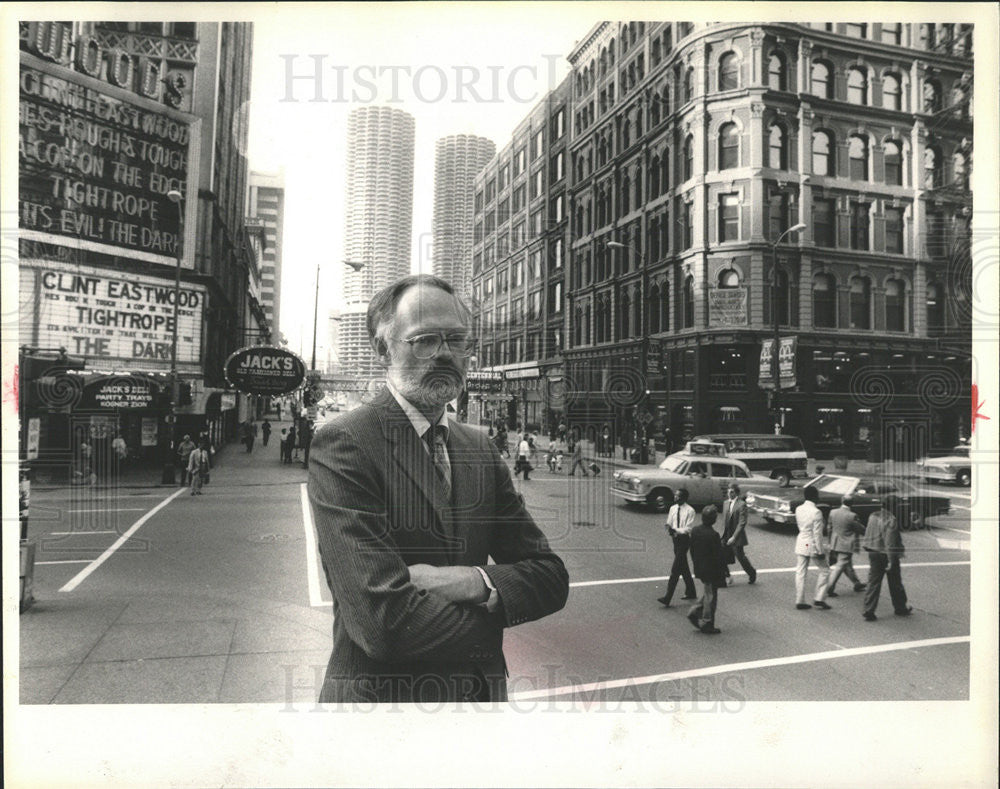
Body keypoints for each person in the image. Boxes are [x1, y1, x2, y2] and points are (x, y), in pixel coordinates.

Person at [307, 274, 569, 703]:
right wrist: (503, 602)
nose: (446, 355)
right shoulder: (346, 443)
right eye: (425, 340)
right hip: (383, 715)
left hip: (480, 706)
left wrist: (473, 581)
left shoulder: (478, 447)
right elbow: (383, 625)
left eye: (457, 340)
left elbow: (551, 577)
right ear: (382, 349)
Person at [861, 495, 912, 621]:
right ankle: (900, 607)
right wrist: (891, 560)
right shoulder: (891, 519)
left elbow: (868, 532)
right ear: (893, 506)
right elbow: (890, 542)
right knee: (895, 582)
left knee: (873, 582)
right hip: (885, 553)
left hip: (873, 551)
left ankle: (869, 609)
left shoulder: (873, 515)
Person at [687, 505, 726, 634]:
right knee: (711, 596)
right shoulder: (714, 535)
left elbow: (692, 549)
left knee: (708, 592)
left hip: (700, 567)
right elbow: (718, 556)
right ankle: (707, 621)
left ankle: (696, 611)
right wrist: (724, 572)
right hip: (711, 570)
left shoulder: (695, 530)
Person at [657, 488, 697, 606]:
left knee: (675, 570)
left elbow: (688, 528)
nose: (675, 497)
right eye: (675, 495)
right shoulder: (673, 508)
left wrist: (676, 530)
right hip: (675, 540)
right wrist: (669, 528)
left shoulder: (690, 511)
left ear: (684, 498)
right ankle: (691, 591)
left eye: (678, 496)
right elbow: (669, 522)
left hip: (684, 540)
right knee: (683, 567)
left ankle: (667, 597)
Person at [794, 486, 831, 610]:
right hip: (811, 543)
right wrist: (820, 550)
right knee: (825, 570)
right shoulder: (816, 512)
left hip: (802, 542)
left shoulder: (798, 509)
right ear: (815, 497)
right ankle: (819, 598)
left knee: (800, 572)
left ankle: (799, 600)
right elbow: (817, 534)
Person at [826, 494, 867, 597]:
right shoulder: (852, 516)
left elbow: (829, 528)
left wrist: (830, 542)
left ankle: (856, 583)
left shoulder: (833, 512)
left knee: (847, 566)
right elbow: (860, 529)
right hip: (846, 545)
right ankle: (829, 588)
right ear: (852, 503)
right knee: (840, 566)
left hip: (835, 542)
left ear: (842, 501)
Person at [722, 484, 757, 585]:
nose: (729, 493)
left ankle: (751, 572)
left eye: (732, 491)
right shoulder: (725, 503)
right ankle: (727, 575)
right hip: (726, 534)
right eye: (728, 491)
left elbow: (742, 522)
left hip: (736, 535)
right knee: (721, 555)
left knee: (740, 557)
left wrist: (734, 537)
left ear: (736, 493)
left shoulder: (741, 504)